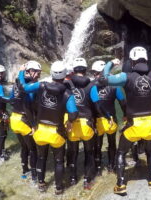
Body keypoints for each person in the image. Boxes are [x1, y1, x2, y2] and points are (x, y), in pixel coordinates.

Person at [100, 46, 151, 195]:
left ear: (132, 62)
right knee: (150, 152)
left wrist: (111, 64)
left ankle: (120, 184)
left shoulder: (126, 76)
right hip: (150, 123)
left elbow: (103, 78)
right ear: (146, 59)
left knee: (120, 153)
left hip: (133, 124)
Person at [18, 61, 78, 195]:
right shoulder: (68, 94)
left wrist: (22, 72)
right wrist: (69, 122)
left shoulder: (41, 85)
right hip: (57, 132)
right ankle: (58, 188)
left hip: (40, 130)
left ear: (51, 73)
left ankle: (41, 184)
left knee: (41, 157)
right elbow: (74, 113)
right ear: (65, 75)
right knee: (58, 161)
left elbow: (23, 87)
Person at [65, 57, 107, 190]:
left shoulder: (66, 84)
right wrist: (106, 116)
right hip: (87, 123)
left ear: (73, 70)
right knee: (89, 153)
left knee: (73, 152)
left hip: (71, 123)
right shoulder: (92, 86)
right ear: (85, 69)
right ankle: (87, 180)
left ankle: (72, 178)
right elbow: (97, 105)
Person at [91, 60, 126, 175]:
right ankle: (111, 166)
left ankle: (98, 168)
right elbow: (123, 103)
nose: (93, 75)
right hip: (111, 120)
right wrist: (126, 115)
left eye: (94, 72)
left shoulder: (91, 86)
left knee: (97, 144)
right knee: (112, 144)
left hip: (97, 121)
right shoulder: (115, 87)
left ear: (96, 73)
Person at [9, 61, 41, 181]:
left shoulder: (17, 82)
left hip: (14, 119)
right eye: (37, 72)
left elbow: (11, 99)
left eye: (39, 72)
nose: (38, 74)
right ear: (29, 71)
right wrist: (33, 124)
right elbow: (28, 106)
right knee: (33, 149)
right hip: (24, 121)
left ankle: (24, 171)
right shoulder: (31, 85)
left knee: (24, 147)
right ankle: (34, 177)